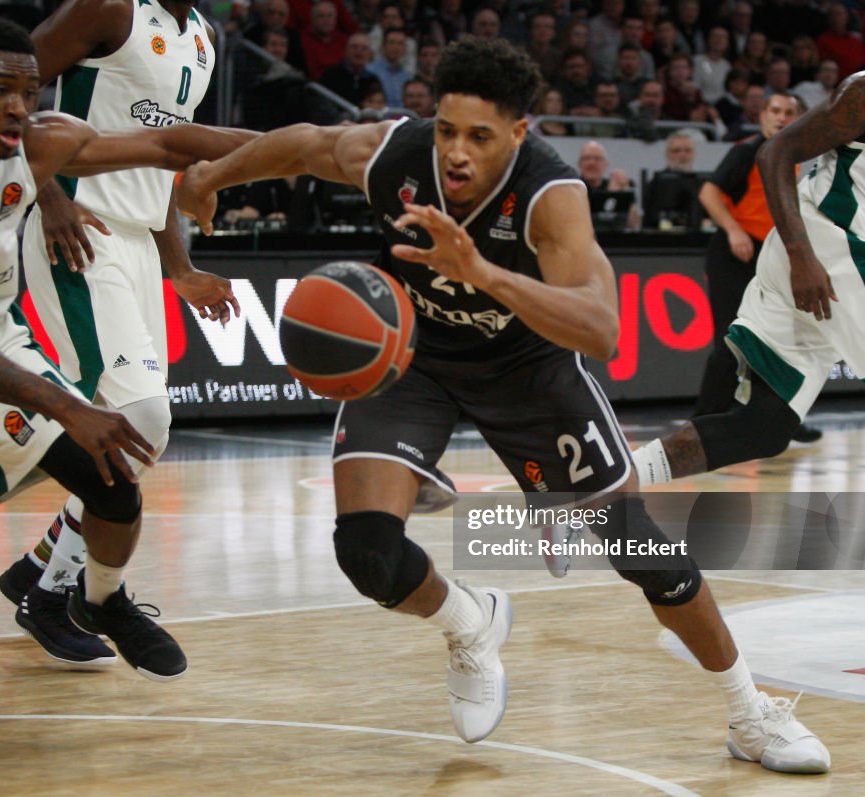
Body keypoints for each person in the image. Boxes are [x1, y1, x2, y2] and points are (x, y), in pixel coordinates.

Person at [176, 37, 830, 772]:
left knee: (637, 547)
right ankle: (470, 621)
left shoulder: (552, 197)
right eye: (448, 129)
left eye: (480, 137)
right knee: (364, 551)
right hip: (416, 362)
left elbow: (602, 329)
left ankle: (750, 712)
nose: (456, 152)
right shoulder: (396, 155)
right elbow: (304, 145)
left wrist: (479, 269)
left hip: (530, 368)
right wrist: (212, 178)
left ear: (518, 134)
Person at [0, 18, 256, 681]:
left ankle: (99, 597)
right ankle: (51, 582)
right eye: (0, 89)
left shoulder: (39, 146)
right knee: (109, 424)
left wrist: (320, 148)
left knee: (115, 476)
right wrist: (65, 403)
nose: (17, 106)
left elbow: (168, 141)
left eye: (29, 93)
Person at [0, 0, 252, 667]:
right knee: (139, 416)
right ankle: (59, 597)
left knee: (138, 429)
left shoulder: (201, 38)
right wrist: (45, 192)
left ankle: (40, 567)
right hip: (80, 225)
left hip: (137, 240)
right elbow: (7, 85)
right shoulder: (108, 8)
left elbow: (166, 159)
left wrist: (181, 266)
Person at [631, 66, 865, 497]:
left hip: (827, 266)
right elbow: (776, 152)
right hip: (824, 252)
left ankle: (593, 486)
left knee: (763, 428)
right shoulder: (862, 92)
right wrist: (802, 256)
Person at [686, 91, 821, 447]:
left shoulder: (794, 159)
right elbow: (708, 193)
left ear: (800, 118)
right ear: (762, 116)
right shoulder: (748, 151)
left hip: (772, 257)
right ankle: (703, 423)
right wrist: (733, 230)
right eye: (774, 111)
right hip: (736, 254)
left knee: (782, 343)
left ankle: (783, 421)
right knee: (731, 341)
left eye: (789, 112)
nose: (780, 118)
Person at [642, 129, 705, 230]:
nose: (682, 155)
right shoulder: (655, 183)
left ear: (694, 154)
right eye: (676, 151)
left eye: (687, 150)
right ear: (667, 154)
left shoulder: (702, 184)